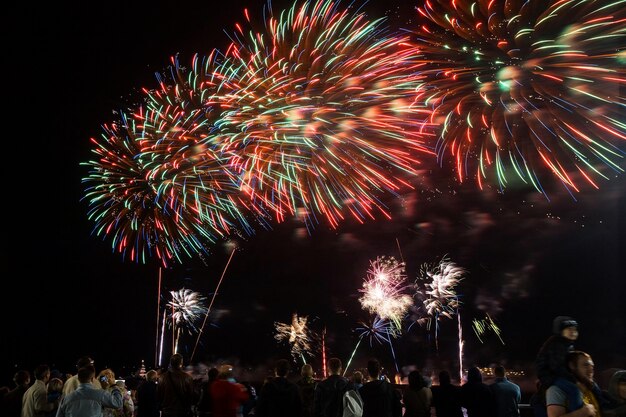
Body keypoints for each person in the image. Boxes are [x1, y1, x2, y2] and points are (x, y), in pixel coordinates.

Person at [534, 316, 580, 414]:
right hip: (551, 376)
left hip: (556, 374)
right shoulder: (557, 344)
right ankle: (577, 413)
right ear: (560, 331)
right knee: (574, 389)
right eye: (569, 329)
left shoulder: (567, 344)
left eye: (575, 329)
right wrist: (572, 378)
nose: (573, 332)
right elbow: (557, 366)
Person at [546, 351, 604, 417]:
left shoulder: (592, 390)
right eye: (586, 365)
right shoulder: (557, 390)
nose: (591, 370)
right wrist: (581, 413)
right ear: (572, 366)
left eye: (592, 367)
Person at [56, 365, 123, 417]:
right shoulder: (100, 394)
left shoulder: (66, 398)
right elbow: (118, 403)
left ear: (78, 379)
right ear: (92, 379)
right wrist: (113, 385)